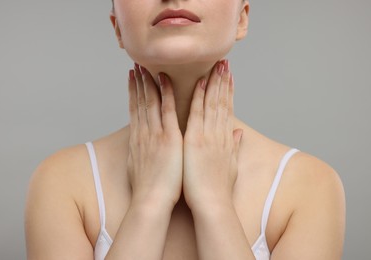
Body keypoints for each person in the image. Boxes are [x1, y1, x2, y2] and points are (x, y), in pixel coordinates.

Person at [25, 0, 346, 259]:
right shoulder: (61, 182)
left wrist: (214, 201)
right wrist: (150, 201)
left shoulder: (310, 186)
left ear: (242, 18)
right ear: (117, 28)